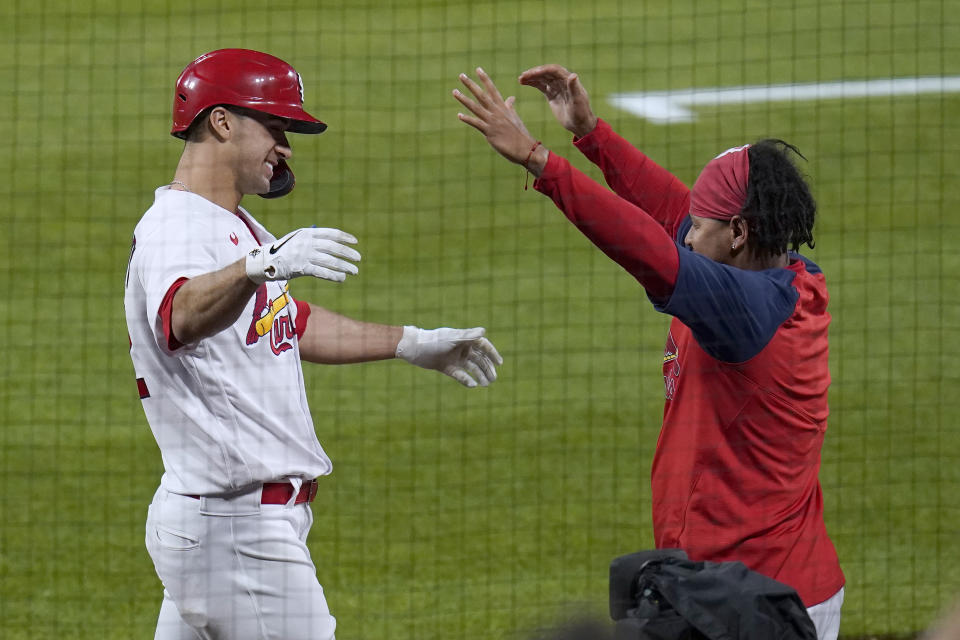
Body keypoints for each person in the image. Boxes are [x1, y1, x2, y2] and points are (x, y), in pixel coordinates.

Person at [453, 65, 844, 639]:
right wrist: (591, 135)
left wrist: (541, 161)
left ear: (738, 231)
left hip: (762, 603)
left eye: (700, 225)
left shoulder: (749, 316)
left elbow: (646, 248)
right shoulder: (766, 265)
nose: (684, 231)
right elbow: (671, 211)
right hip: (723, 587)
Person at [124, 49, 503, 640]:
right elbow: (178, 317)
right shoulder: (181, 226)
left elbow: (286, 322)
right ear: (222, 122)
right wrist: (257, 265)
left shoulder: (234, 223)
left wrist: (411, 343)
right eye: (275, 127)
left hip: (224, 524)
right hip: (235, 530)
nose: (286, 146)